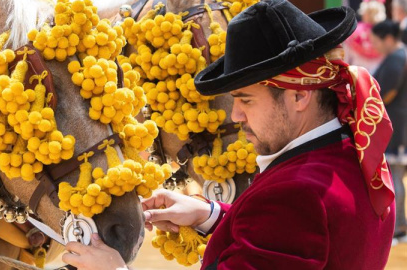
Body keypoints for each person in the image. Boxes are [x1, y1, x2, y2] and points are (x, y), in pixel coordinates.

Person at [62, 0, 396, 269]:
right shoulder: (354, 147)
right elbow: (286, 242)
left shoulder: (294, 196)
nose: (237, 116)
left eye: (246, 100)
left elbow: (287, 223)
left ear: (299, 96)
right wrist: (211, 216)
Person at [370, 20, 407, 243]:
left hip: (398, 125)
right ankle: (399, 225)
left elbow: (388, 93)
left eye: (376, 42)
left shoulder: (397, 58)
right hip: (399, 123)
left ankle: (399, 226)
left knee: (394, 176)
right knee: (395, 176)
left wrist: (371, 106)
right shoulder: (399, 57)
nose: (375, 46)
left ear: (389, 39)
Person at [344, 0, 385, 72]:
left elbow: (346, 57)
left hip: (358, 73)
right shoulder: (385, 34)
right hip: (379, 74)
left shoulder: (354, 32)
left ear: (364, 13)